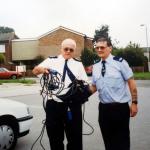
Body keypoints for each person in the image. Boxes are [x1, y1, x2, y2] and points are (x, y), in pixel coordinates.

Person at [32, 38, 88, 150]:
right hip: (54, 105)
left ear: (74, 51)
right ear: (61, 49)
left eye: (71, 50)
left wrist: (79, 95)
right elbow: (35, 71)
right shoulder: (51, 60)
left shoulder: (78, 64)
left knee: (75, 139)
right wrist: (42, 69)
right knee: (55, 138)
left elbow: (85, 85)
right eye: (66, 49)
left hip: (72, 106)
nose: (68, 51)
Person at [89, 37, 138, 150]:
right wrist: (81, 95)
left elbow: (131, 82)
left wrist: (134, 102)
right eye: (97, 48)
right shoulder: (96, 66)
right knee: (108, 141)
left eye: (102, 47)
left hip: (120, 108)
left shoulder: (120, 63)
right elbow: (95, 86)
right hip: (104, 109)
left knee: (122, 141)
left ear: (110, 48)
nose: (99, 49)